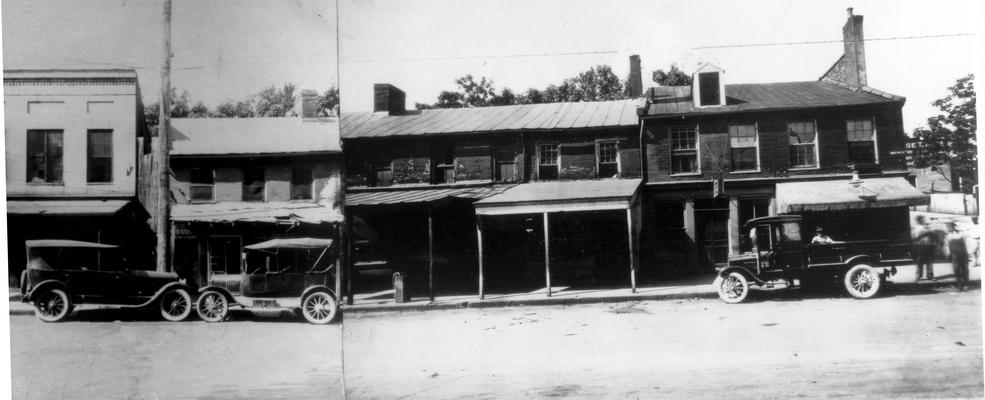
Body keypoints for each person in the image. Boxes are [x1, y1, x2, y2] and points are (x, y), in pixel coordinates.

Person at [946, 221, 970, 291]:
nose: (948, 228)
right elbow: (947, 246)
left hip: (963, 253)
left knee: (965, 270)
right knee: (956, 269)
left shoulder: (962, 233)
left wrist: (969, 252)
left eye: (949, 227)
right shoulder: (948, 235)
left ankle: (966, 284)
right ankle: (959, 285)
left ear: (953, 227)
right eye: (948, 227)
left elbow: (967, 242)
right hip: (954, 255)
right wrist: (948, 254)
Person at [913, 215, 937, 282]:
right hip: (920, 246)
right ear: (919, 220)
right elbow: (917, 236)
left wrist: (928, 231)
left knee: (929, 262)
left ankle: (930, 276)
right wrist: (926, 232)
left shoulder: (927, 226)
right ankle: (918, 277)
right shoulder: (917, 227)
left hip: (929, 245)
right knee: (919, 261)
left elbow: (933, 233)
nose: (924, 220)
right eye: (922, 219)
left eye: (924, 219)